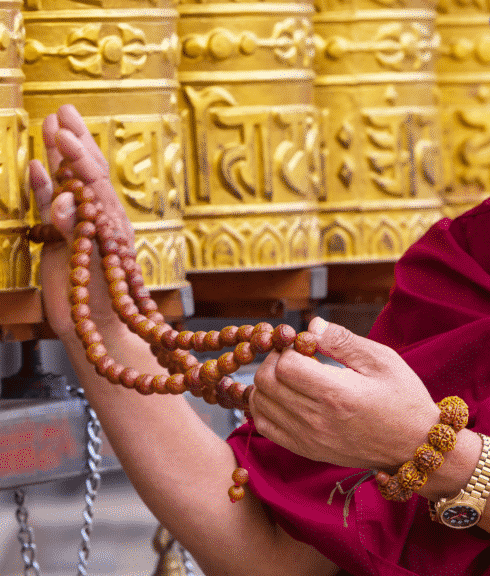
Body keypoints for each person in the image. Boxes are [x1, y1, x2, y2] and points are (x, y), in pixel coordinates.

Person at [30, 105, 490, 576]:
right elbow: (276, 556)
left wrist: (442, 456)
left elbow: (421, 448)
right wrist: (107, 323)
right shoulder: (476, 254)